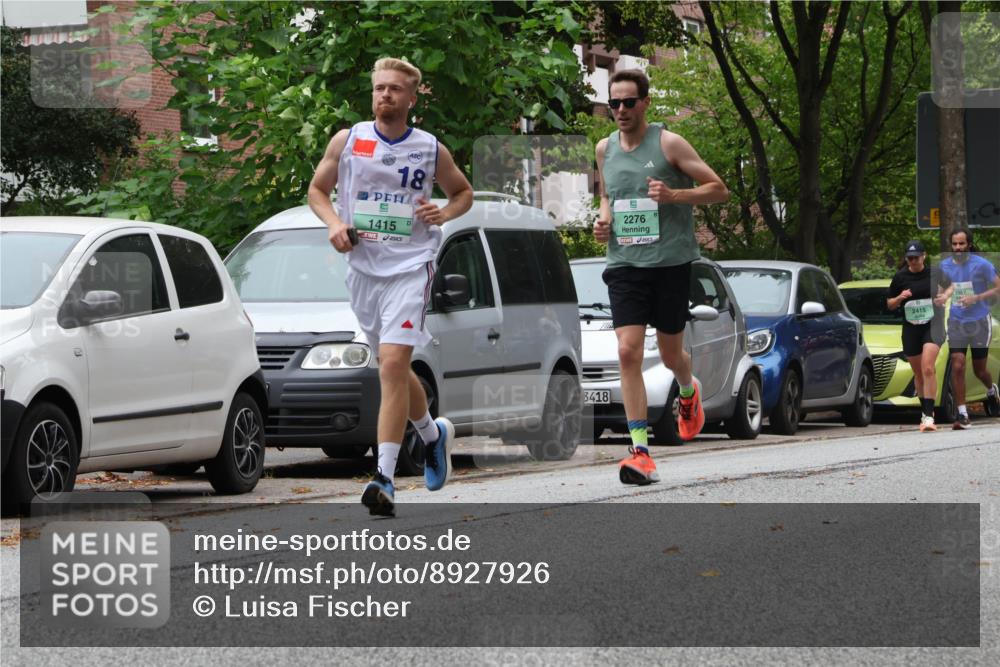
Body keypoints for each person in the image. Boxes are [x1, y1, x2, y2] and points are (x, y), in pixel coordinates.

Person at [308, 58, 473, 516]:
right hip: (364, 270)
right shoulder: (349, 139)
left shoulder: (429, 148)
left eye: (395, 90)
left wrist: (444, 211)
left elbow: (463, 192)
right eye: (379, 88)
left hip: (410, 266)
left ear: (411, 98)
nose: (385, 96)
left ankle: (384, 477)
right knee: (391, 366)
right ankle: (432, 435)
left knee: (393, 364)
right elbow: (316, 191)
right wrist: (334, 223)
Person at [592, 69, 728, 485]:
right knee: (628, 352)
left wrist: (675, 196)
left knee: (670, 355)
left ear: (645, 103)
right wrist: (604, 220)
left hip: (670, 264)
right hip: (626, 264)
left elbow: (718, 188)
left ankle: (688, 390)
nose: (620, 110)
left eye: (628, 102)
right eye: (613, 103)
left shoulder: (668, 143)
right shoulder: (604, 149)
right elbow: (607, 195)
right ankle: (640, 452)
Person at [933, 228, 1000, 428]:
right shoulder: (944, 265)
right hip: (956, 321)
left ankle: (991, 389)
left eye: (961, 244)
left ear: (968, 244)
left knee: (980, 371)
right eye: (954, 244)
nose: (958, 248)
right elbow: (942, 289)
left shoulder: (982, 264)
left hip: (979, 321)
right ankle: (962, 414)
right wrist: (941, 298)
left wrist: (976, 298)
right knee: (958, 363)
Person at [887, 240, 945, 432]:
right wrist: (900, 297)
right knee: (919, 373)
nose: (913, 261)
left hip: (933, 325)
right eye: (910, 258)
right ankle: (925, 412)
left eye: (916, 257)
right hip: (911, 328)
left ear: (924, 256)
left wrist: (944, 296)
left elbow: (951, 286)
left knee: (928, 367)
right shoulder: (900, 277)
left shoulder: (934, 273)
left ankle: (929, 417)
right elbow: (890, 304)